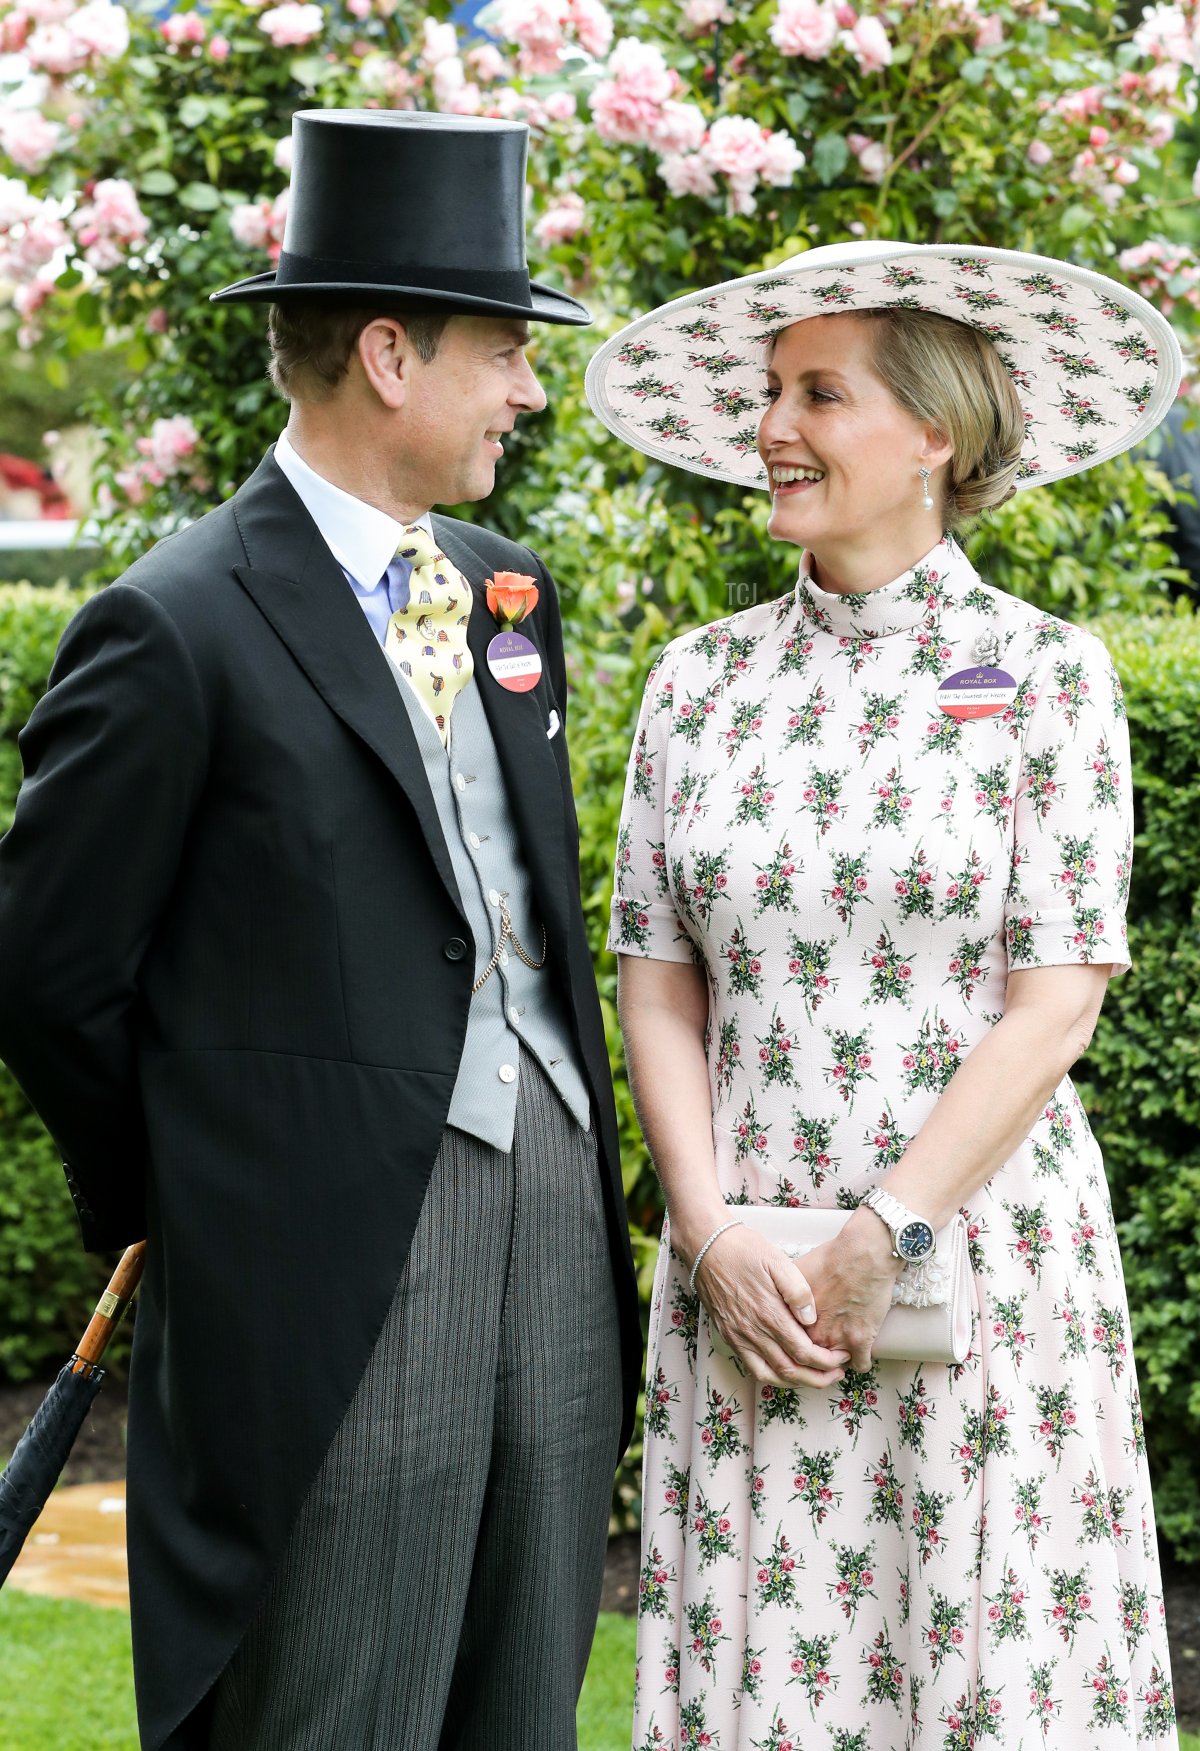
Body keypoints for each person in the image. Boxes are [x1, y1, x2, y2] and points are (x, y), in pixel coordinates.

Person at [0, 109, 641, 1751]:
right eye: (505, 351)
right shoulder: (172, 622)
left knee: (524, 1690)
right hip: (328, 1253)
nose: (526, 390)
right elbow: (50, 970)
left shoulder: (508, 587)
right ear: (387, 354)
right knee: (335, 1702)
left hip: (557, 1215)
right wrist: (198, 1190)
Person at [588, 240, 1181, 1748]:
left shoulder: (1049, 675)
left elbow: (1058, 999)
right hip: (751, 1281)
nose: (774, 427)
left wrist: (892, 1229)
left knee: (986, 1673)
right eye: (771, 393)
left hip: (981, 1261)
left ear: (937, 435)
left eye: (821, 393)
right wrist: (708, 1229)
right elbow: (654, 980)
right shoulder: (696, 683)